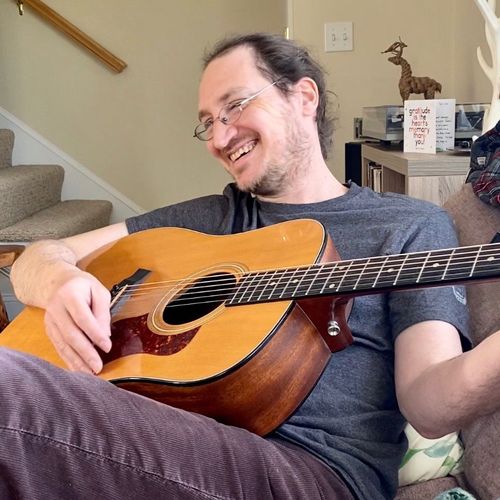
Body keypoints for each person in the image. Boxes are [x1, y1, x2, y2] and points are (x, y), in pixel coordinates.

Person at [2, 32, 495, 500]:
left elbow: (430, 406)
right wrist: (59, 278)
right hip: (169, 436)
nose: (218, 136)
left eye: (234, 106)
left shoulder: (409, 224)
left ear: (304, 97)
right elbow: (37, 256)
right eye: (207, 121)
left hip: (314, 471)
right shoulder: (213, 217)